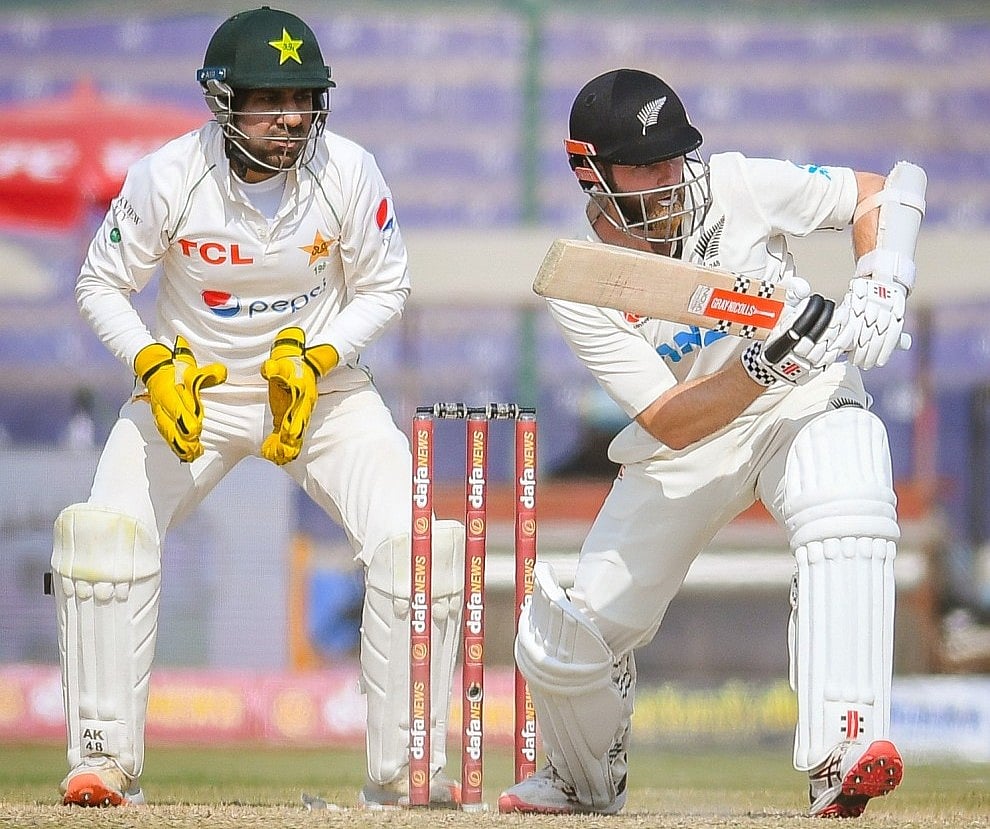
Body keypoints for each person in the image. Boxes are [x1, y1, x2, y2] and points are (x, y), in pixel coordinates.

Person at [51, 7, 464, 809]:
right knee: (102, 540)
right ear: (224, 100)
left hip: (321, 394)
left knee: (418, 546)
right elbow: (100, 283)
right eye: (270, 99)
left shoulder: (349, 171)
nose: (290, 117)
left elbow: (387, 286)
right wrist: (151, 363)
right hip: (190, 392)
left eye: (303, 98)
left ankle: (407, 769)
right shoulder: (169, 176)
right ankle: (102, 760)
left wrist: (317, 357)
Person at [498, 68, 926, 818]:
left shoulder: (735, 185)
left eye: (675, 154)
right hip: (689, 441)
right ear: (593, 173)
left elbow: (877, 192)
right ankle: (581, 778)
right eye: (645, 163)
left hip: (800, 403)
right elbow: (670, 420)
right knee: (568, 637)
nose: (670, 175)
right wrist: (763, 364)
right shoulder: (583, 281)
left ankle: (844, 748)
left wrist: (881, 279)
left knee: (847, 490)